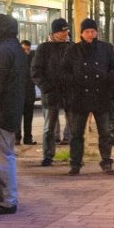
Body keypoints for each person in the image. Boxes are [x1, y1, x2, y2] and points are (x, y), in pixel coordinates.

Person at [61, 18, 114, 175]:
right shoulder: (73, 50)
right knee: (76, 133)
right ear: (81, 33)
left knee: (104, 132)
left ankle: (106, 161)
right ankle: (75, 163)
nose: (90, 34)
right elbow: (64, 71)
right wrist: (74, 80)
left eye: (92, 31)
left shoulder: (106, 48)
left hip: (101, 95)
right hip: (80, 97)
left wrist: (107, 78)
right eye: (87, 31)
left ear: (96, 32)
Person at [0, 13, 28, 211]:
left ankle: (6, 200)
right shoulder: (16, 48)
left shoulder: (1, 51)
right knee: (5, 154)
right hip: (11, 110)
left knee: (0, 156)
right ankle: (5, 197)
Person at [32, 18, 71, 166]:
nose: (66, 33)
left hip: (69, 92)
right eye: (63, 31)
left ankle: (75, 155)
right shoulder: (44, 48)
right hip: (51, 92)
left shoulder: (71, 47)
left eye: (67, 30)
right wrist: (45, 87)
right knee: (49, 126)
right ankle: (48, 154)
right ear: (55, 32)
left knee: (73, 125)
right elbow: (36, 71)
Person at [19, 40, 37, 144]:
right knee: (18, 119)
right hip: (19, 94)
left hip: (29, 93)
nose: (26, 52)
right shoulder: (17, 60)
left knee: (28, 118)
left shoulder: (32, 60)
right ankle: (18, 138)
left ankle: (27, 138)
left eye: (28, 50)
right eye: (24, 49)